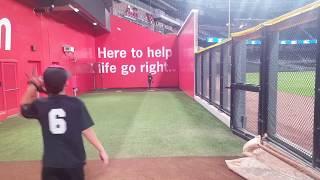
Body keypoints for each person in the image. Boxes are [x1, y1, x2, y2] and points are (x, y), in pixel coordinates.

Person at [20, 65, 108, 180]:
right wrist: (101, 149)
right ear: (66, 84)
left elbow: (24, 108)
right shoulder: (76, 103)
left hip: (51, 164)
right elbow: (86, 130)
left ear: (45, 85)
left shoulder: (41, 104)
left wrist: (33, 86)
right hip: (74, 162)